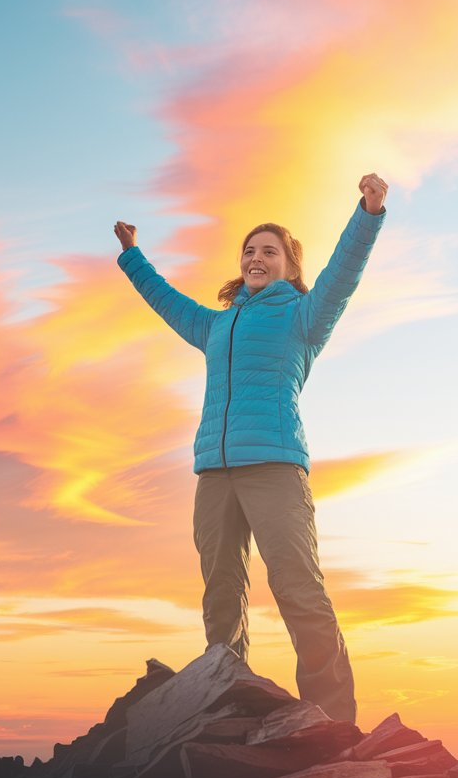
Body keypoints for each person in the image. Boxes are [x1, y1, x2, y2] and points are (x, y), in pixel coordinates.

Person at [114, 173, 388, 722]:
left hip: (275, 467)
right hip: (214, 474)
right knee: (220, 592)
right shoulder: (217, 325)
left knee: (298, 589)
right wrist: (133, 255)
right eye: (249, 251)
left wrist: (369, 211)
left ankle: (332, 718)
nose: (256, 258)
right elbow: (166, 302)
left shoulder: (305, 317)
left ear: (289, 265)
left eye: (269, 251)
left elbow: (345, 270)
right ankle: (226, 698)